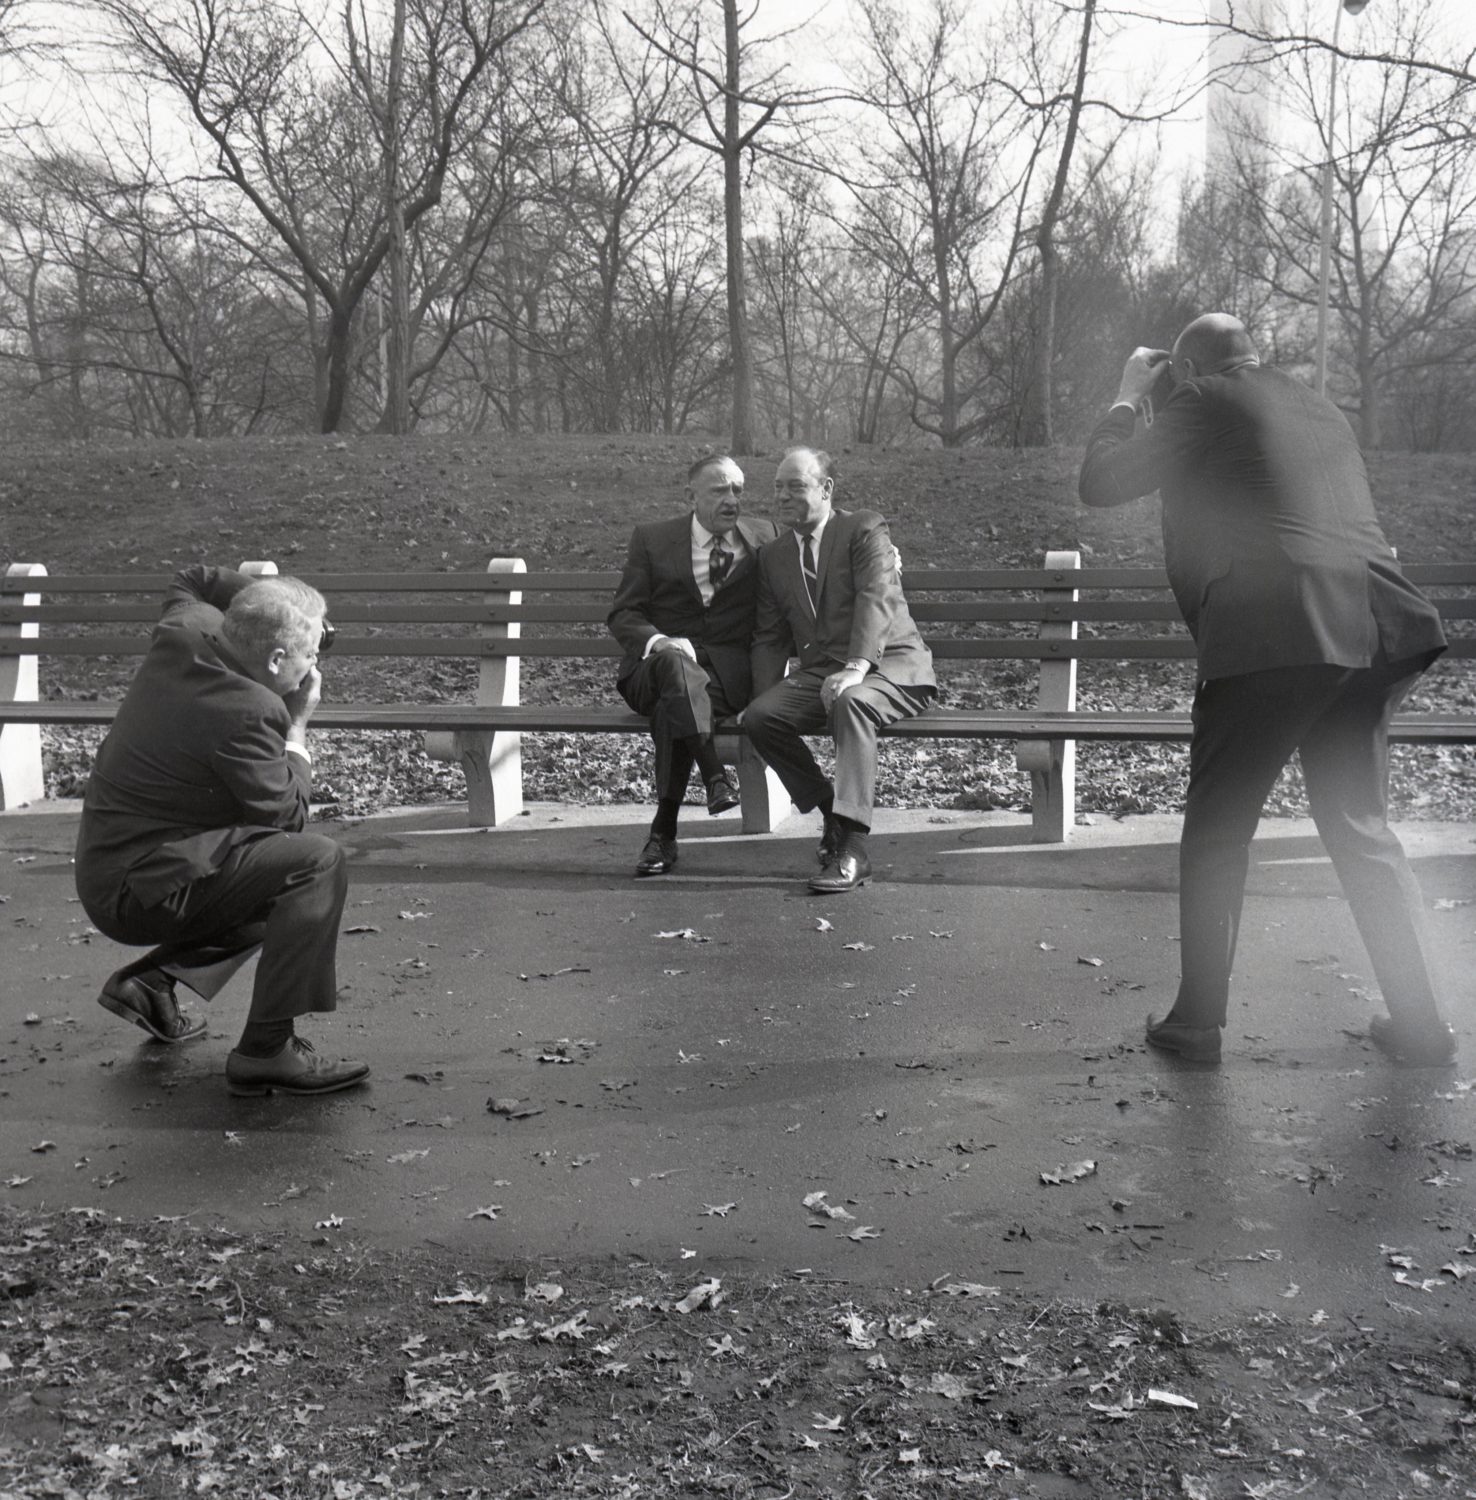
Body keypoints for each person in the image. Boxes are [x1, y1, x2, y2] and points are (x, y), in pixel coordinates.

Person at [1079, 312, 1454, 1067]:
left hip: (1275, 633)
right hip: (1373, 628)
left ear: (1187, 370)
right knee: (1361, 827)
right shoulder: (1317, 404)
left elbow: (1101, 483)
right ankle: (1421, 1025)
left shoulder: (1206, 397)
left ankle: (1196, 1024)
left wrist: (1126, 397)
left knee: (1218, 832)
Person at [75, 564, 370, 1097]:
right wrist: (298, 728)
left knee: (272, 873)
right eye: (311, 655)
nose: (314, 667)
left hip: (116, 863)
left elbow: (194, 578)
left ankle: (152, 983)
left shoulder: (184, 632)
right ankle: (266, 1050)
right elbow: (286, 818)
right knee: (313, 864)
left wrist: (277, 610)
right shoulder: (250, 710)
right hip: (140, 890)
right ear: (277, 659)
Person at [743, 446, 936, 894]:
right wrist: (758, 694)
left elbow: (876, 596)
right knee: (761, 717)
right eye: (777, 488)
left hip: (890, 665)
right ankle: (832, 810)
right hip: (824, 674)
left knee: (852, 700)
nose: (783, 496)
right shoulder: (774, 555)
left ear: (826, 489)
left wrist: (856, 666)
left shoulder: (862, 528)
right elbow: (770, 637)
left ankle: (853, 846)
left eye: (796, 486)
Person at [608, 453, 778, 876]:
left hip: (723, 678)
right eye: (720, 490)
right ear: (691, 495)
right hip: (651, 670)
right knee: (675, 666)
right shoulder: (652, 539)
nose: (732, 500)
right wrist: (661, 641)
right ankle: (714, 773)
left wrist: (884, 551)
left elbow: (821, 545)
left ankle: (664, 831)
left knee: (676, 706)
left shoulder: (765, 538)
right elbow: (624, 614)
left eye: (738, 490)